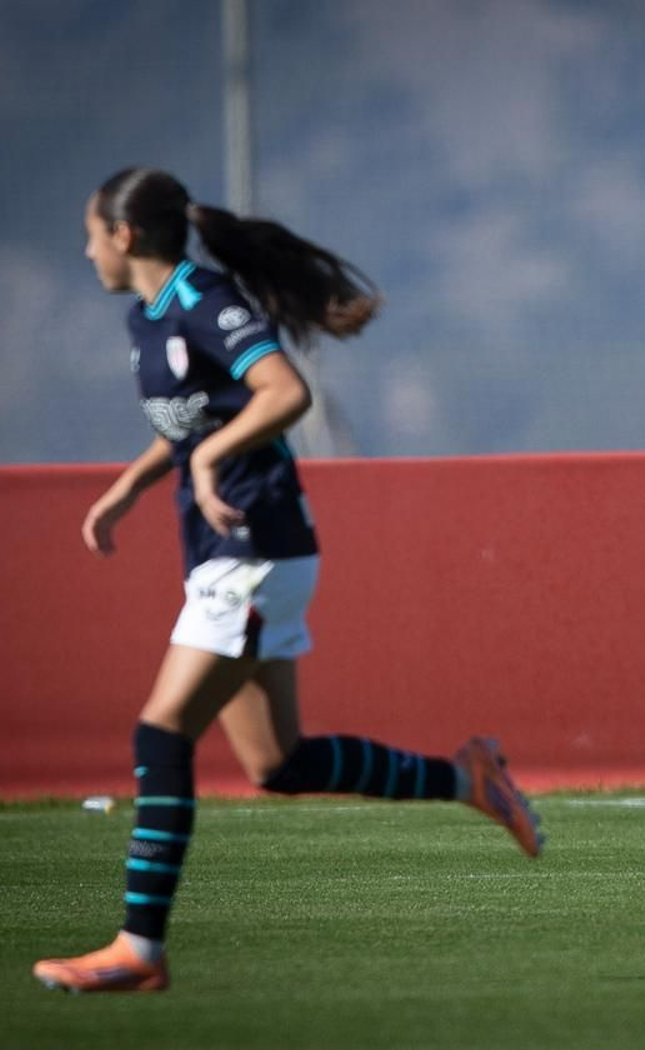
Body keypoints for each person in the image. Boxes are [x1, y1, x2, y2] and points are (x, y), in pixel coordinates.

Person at [33, 168, 543, 994]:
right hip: (226, 547)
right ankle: (468, 778)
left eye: (90, 232)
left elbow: (284, 391)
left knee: (160, 734)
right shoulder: (148, 317)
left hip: (256, 545)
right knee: (278, 762)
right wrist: (131, 486)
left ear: (124, 238)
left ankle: (140, 950)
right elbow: (207, 418)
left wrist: (204, 460)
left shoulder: (202, 299)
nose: (85, 248)